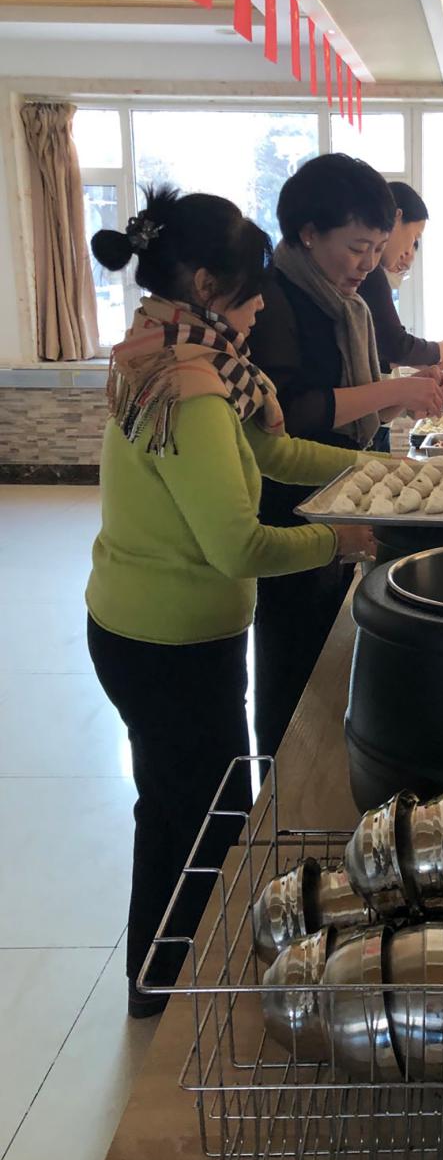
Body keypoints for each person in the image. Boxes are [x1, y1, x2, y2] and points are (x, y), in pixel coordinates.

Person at [85, 186, 373, 1017]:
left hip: (143, 622)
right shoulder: (190, 386)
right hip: (169, 639)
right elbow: (239, 546)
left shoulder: (168, 350)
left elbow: (275, 453)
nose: (259, 311)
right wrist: (340, 541)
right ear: (208, 287)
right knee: (200, 815)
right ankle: (170, 988)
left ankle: (162, 976)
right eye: (252, 295)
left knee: (179, 805)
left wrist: (381, 474)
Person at [247, 155, 443, 760]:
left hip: (338, 489)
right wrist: (391, 390)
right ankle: (283, 782)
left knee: (332, 645)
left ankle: (325, 767)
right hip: (292, 499)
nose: (369, 264)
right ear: (308, 233)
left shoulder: (344, 304)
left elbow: (352, 417)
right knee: (292, 654)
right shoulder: (276, 298)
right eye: (358, 248)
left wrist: (406, 396)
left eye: (379, 249)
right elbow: (293, 412)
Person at [358, 182, 443, 374]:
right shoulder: (370, 271)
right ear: (397, 218)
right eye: (415, 237)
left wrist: (415, 364)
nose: (409, 250)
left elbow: (375, 354)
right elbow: (396, 345)